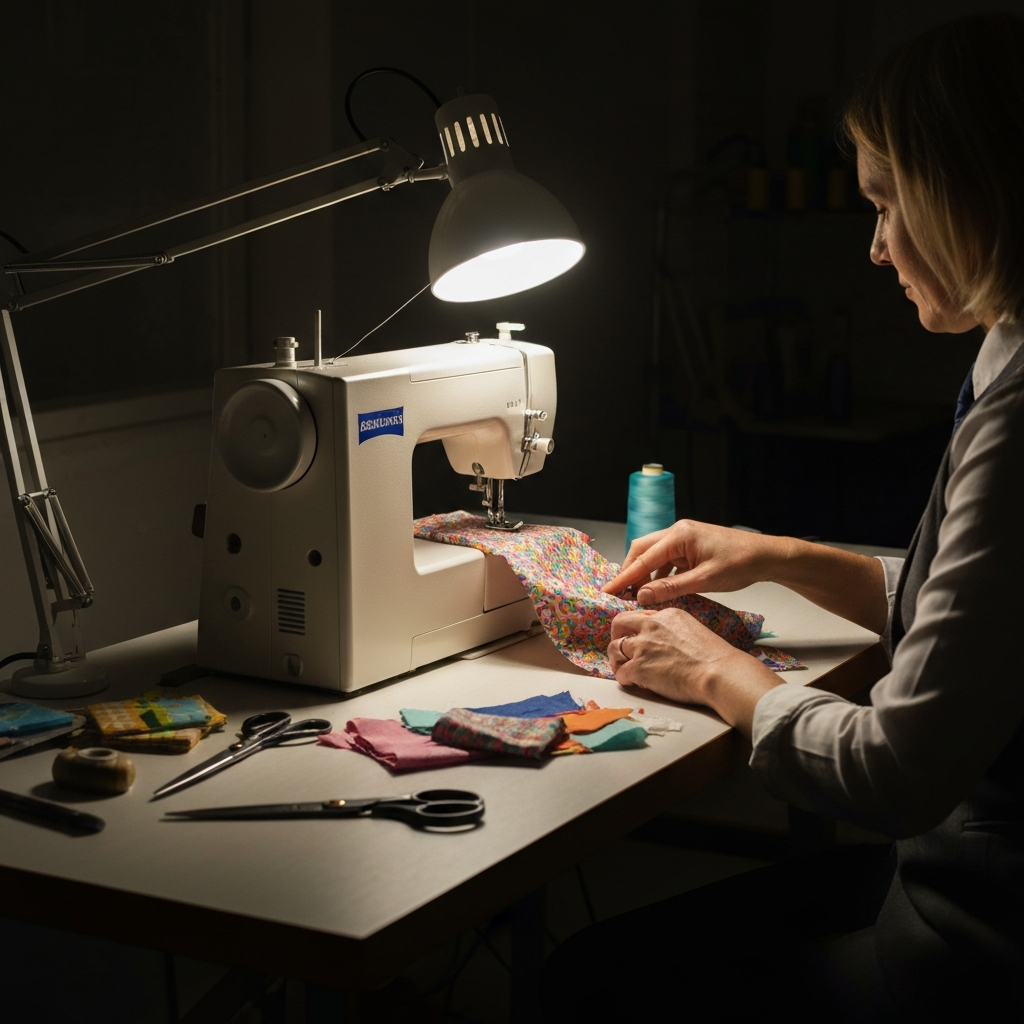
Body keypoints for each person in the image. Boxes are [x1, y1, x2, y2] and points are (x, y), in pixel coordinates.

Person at [543, 12, 1024, 1021]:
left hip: (980, 944)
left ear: (966, 189)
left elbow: (894, 771)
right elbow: (985, 623)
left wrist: (710, 667)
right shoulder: (1004, 347)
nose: (876, 245)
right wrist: (772, 555)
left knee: (583, 984)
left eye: (888, 204)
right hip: (951, 890)